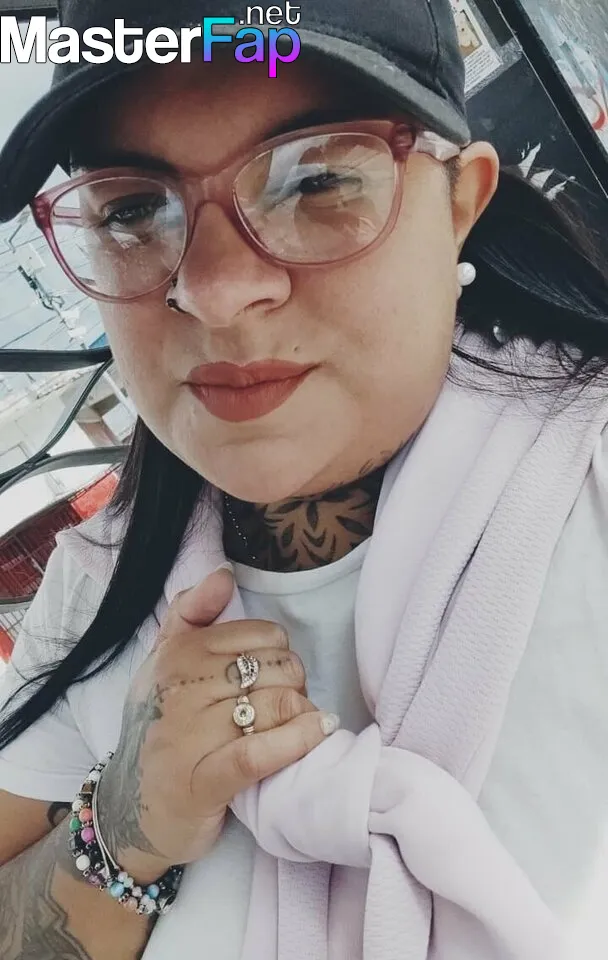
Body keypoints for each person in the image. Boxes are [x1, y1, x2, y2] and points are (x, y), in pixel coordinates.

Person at [0, 1, 608, 958]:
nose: (213, 290)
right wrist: (123, 823)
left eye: (317, 177)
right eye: (132, 210)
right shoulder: (90, 595)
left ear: (460, 203)